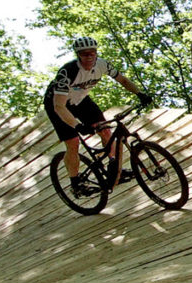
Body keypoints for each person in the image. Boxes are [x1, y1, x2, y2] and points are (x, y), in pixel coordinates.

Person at [44, 37, 153, 194]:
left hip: (81, 100)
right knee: (73, 142)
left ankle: (115, 170)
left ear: (96, 53)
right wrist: (77, 126)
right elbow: (59, 106)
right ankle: (75, 183)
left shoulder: (102, 64)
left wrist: (139, 93)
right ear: (78, 55)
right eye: (84, 54)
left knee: (105, 130)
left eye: (92, 53)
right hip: (58, 105)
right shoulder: (67, 72)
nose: (88, 57)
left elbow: (122, 79)